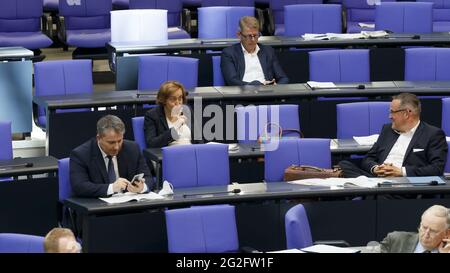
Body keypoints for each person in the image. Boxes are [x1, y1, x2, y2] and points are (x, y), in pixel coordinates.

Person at [339, 93, 448, 178]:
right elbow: (368, 158)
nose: (390, 116)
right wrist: (376, 168)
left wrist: (402, 172)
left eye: (392, 112)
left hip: (405, 185)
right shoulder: (387, 130)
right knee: (344, 165)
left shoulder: (433, 134)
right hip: (377, 179)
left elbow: (436, 168)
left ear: (406, 113)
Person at [70, 115, 153, 197]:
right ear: (98, 138)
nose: (116, 147)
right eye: (111, 142)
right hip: (99, 206)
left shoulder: (133, 149)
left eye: (119, 141)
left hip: (129, 205)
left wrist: (142, 187)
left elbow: (148, 177)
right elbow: (79, 186)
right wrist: (112, 188)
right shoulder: (81, 154)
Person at [220, 16, 289, 86]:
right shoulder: (229, 53)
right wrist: (258, 85)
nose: (253, 40)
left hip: (267, 93)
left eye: (256, 35)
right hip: (243, 93)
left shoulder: (268, 51)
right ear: (239, 35)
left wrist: (276, 87)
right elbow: (232, 81)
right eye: (249, 36)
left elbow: (283, 78)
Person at [144, 80, 196, 148]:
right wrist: (174, 128)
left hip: (191, 153)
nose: (177, 103)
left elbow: (199, 140)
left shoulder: (187, 111)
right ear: (164, 100)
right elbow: (152, 144)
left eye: (180, 98)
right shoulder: (152, 115)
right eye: (173, 99)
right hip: (169, 155)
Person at [380, 205, 450, 253]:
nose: (426, 234)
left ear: (447, 233)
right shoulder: (395, 240)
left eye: (433, 231)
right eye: (424, 227)